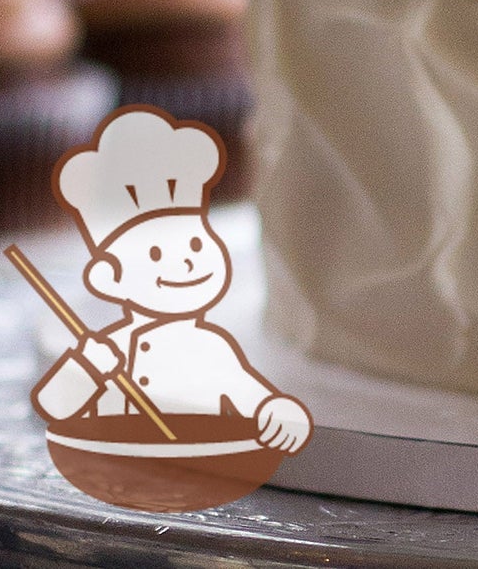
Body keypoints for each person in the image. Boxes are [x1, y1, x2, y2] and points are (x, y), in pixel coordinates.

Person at [29, 105, 310, 451]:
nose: (188, 263)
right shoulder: (110, 348)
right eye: (156, 255)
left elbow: (253, 396)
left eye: (195, 243)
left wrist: (276, 412)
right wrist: (88, 366)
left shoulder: (212, 348)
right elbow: (53, 404)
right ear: (108, 278)